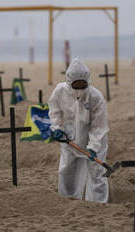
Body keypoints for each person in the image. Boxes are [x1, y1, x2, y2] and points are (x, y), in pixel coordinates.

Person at [48, 57, 109, 203]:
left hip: (94, 138)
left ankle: (97, 203)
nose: (80, 88)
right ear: (69, 82)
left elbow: (99, 126)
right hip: (70, 137)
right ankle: (68, 199)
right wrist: (56, 127)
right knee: (68, 169)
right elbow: (54, 110)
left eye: (83, 84)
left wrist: (93, 147)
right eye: (76, 84)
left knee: (96, 172)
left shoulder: (96, 97)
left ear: (88, 81)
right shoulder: (60, 91)